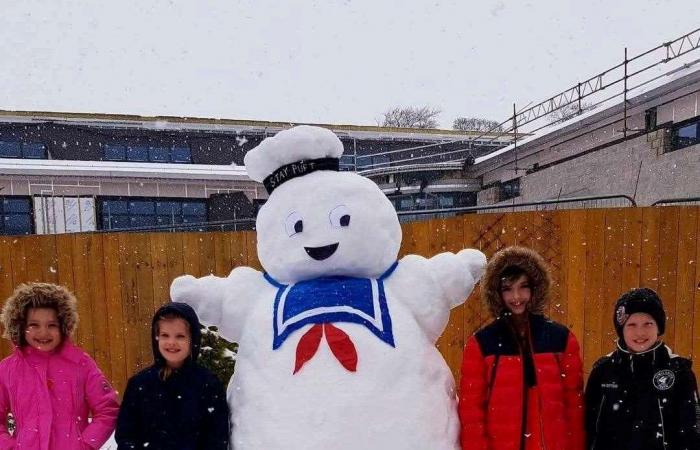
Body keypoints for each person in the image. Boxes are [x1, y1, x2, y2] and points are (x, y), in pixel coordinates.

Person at [459, 246, 585, 450]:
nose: (516, 297)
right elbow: (472, 412)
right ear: (497, 294)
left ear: (535, 288)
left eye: (523, 286)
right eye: (508, 289)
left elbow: (574, 405)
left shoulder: (561, 338)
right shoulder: (481, 344)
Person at [0, 282, 119, 449]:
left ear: (63, 326)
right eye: (34, 325)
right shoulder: (8, 370)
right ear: (21, 327)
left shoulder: (81, 364)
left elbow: (107, 409)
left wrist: (85, 445)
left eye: (52, 325)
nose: (43, 333)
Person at [585, 287, 700, 449]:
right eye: (632, 324)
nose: (640, 332)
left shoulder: (679, 371)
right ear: (621, 330)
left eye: (648, 323)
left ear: (659, 327)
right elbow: (589, 429)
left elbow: (692, 432)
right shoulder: (603, 371)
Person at [115, 302, 229, 450]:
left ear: (192, 340)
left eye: (180, 336)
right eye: (165, 335)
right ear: (157, 338)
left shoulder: (208, 384)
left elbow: (216, 438)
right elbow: (126, 435)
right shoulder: (139, 384)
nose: (171, 342)